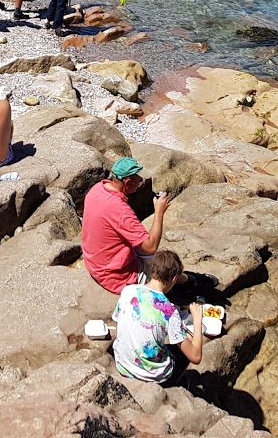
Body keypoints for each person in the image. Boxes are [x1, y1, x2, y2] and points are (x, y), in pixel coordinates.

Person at [82, 156, 177, 295]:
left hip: (95, 261)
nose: (141, 183)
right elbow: (150, 247)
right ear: (128, 182)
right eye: (139, 180)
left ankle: (184, 279)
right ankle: (184, 285)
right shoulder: (119, 210)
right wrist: (159, 212)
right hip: (116, 276)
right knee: (169, 271)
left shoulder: (97, 189)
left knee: (154, 258)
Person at [111, 249, 207, 386]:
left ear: (152, 270)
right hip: (151, 375)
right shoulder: (169, 311)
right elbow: (196, 357)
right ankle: (174, 383)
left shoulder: (128, 291)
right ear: (174, 279)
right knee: (183, 355)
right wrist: (197, 321)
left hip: (123, 364)